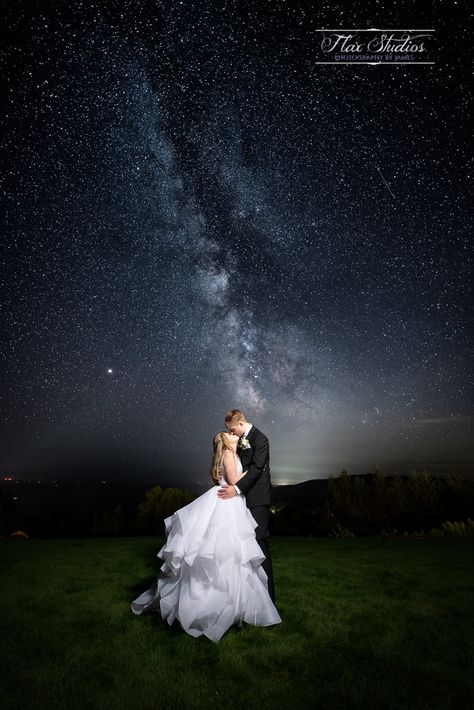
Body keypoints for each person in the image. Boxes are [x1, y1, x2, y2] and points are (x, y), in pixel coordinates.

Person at [130, 429, 282, 643]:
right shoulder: (229, 455)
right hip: (228, 504)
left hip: (229, 503)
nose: (232, 435)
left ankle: (236, 603)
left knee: (229, 553)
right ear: (225, 442)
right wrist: (257, 470)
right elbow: (233, 479)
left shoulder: (229, 454)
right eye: (228, 435)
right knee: (226, 553)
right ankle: (220, 605)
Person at [217, 409, 275, 603]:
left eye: (232, 429)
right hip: (240, 502)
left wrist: (236, 489)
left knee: (258, 543)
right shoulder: (239, 441)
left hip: (257, 499)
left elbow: (257, 468)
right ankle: (248, 595)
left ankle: (268, 598)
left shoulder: (261, 439)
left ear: (240, 424)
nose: (232, 433)